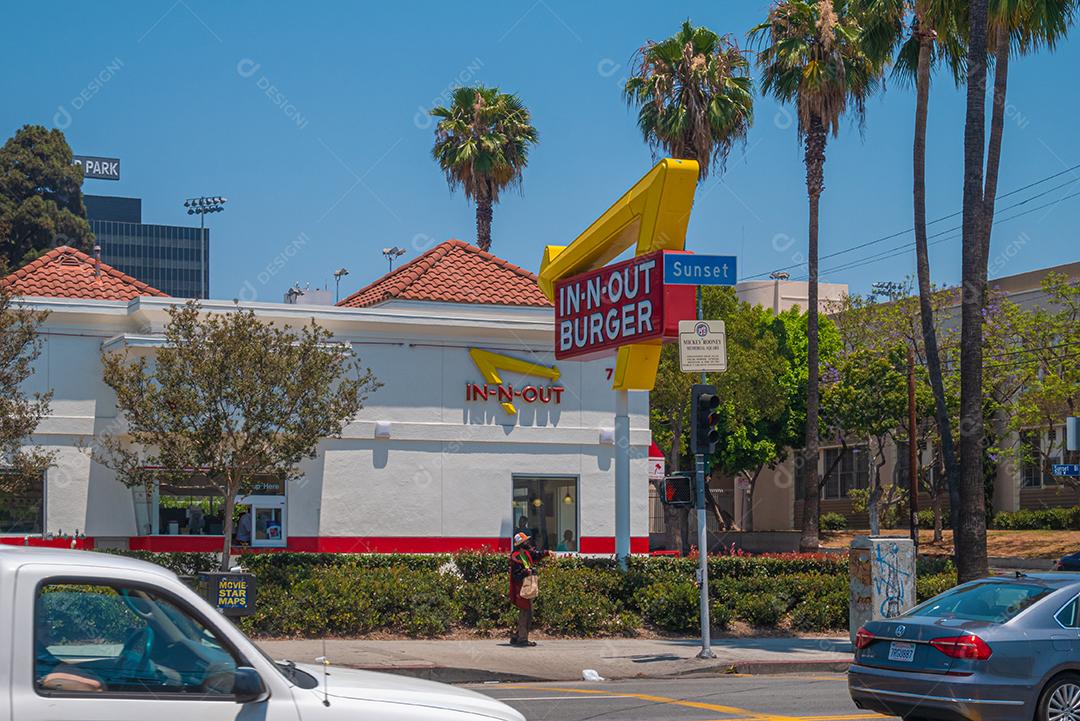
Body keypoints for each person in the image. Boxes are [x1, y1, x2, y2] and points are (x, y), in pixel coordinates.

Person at [508, 531, 547, 647]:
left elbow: (536, 555)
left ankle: (517, 636)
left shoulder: (525, 553)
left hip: (527, 586)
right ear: (521, 544)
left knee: (527, 612)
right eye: (525, 542)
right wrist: (526, 572)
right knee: (525, 613)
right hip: (521, 588)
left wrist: (547, 553)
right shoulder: (515, 557)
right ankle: (522, 639)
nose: (528, 543)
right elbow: (516, 576)